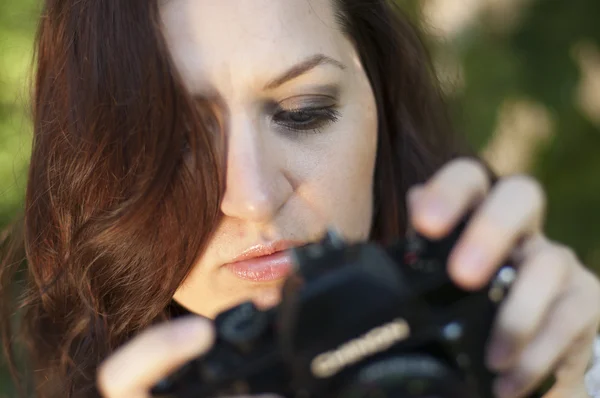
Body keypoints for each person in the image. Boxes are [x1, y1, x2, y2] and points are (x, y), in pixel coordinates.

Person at [1, 0, 599, 397]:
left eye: (303, 112)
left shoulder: (533, 349)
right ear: (93, 170)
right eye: (174, 144)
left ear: (379, 102)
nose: (253, 197)